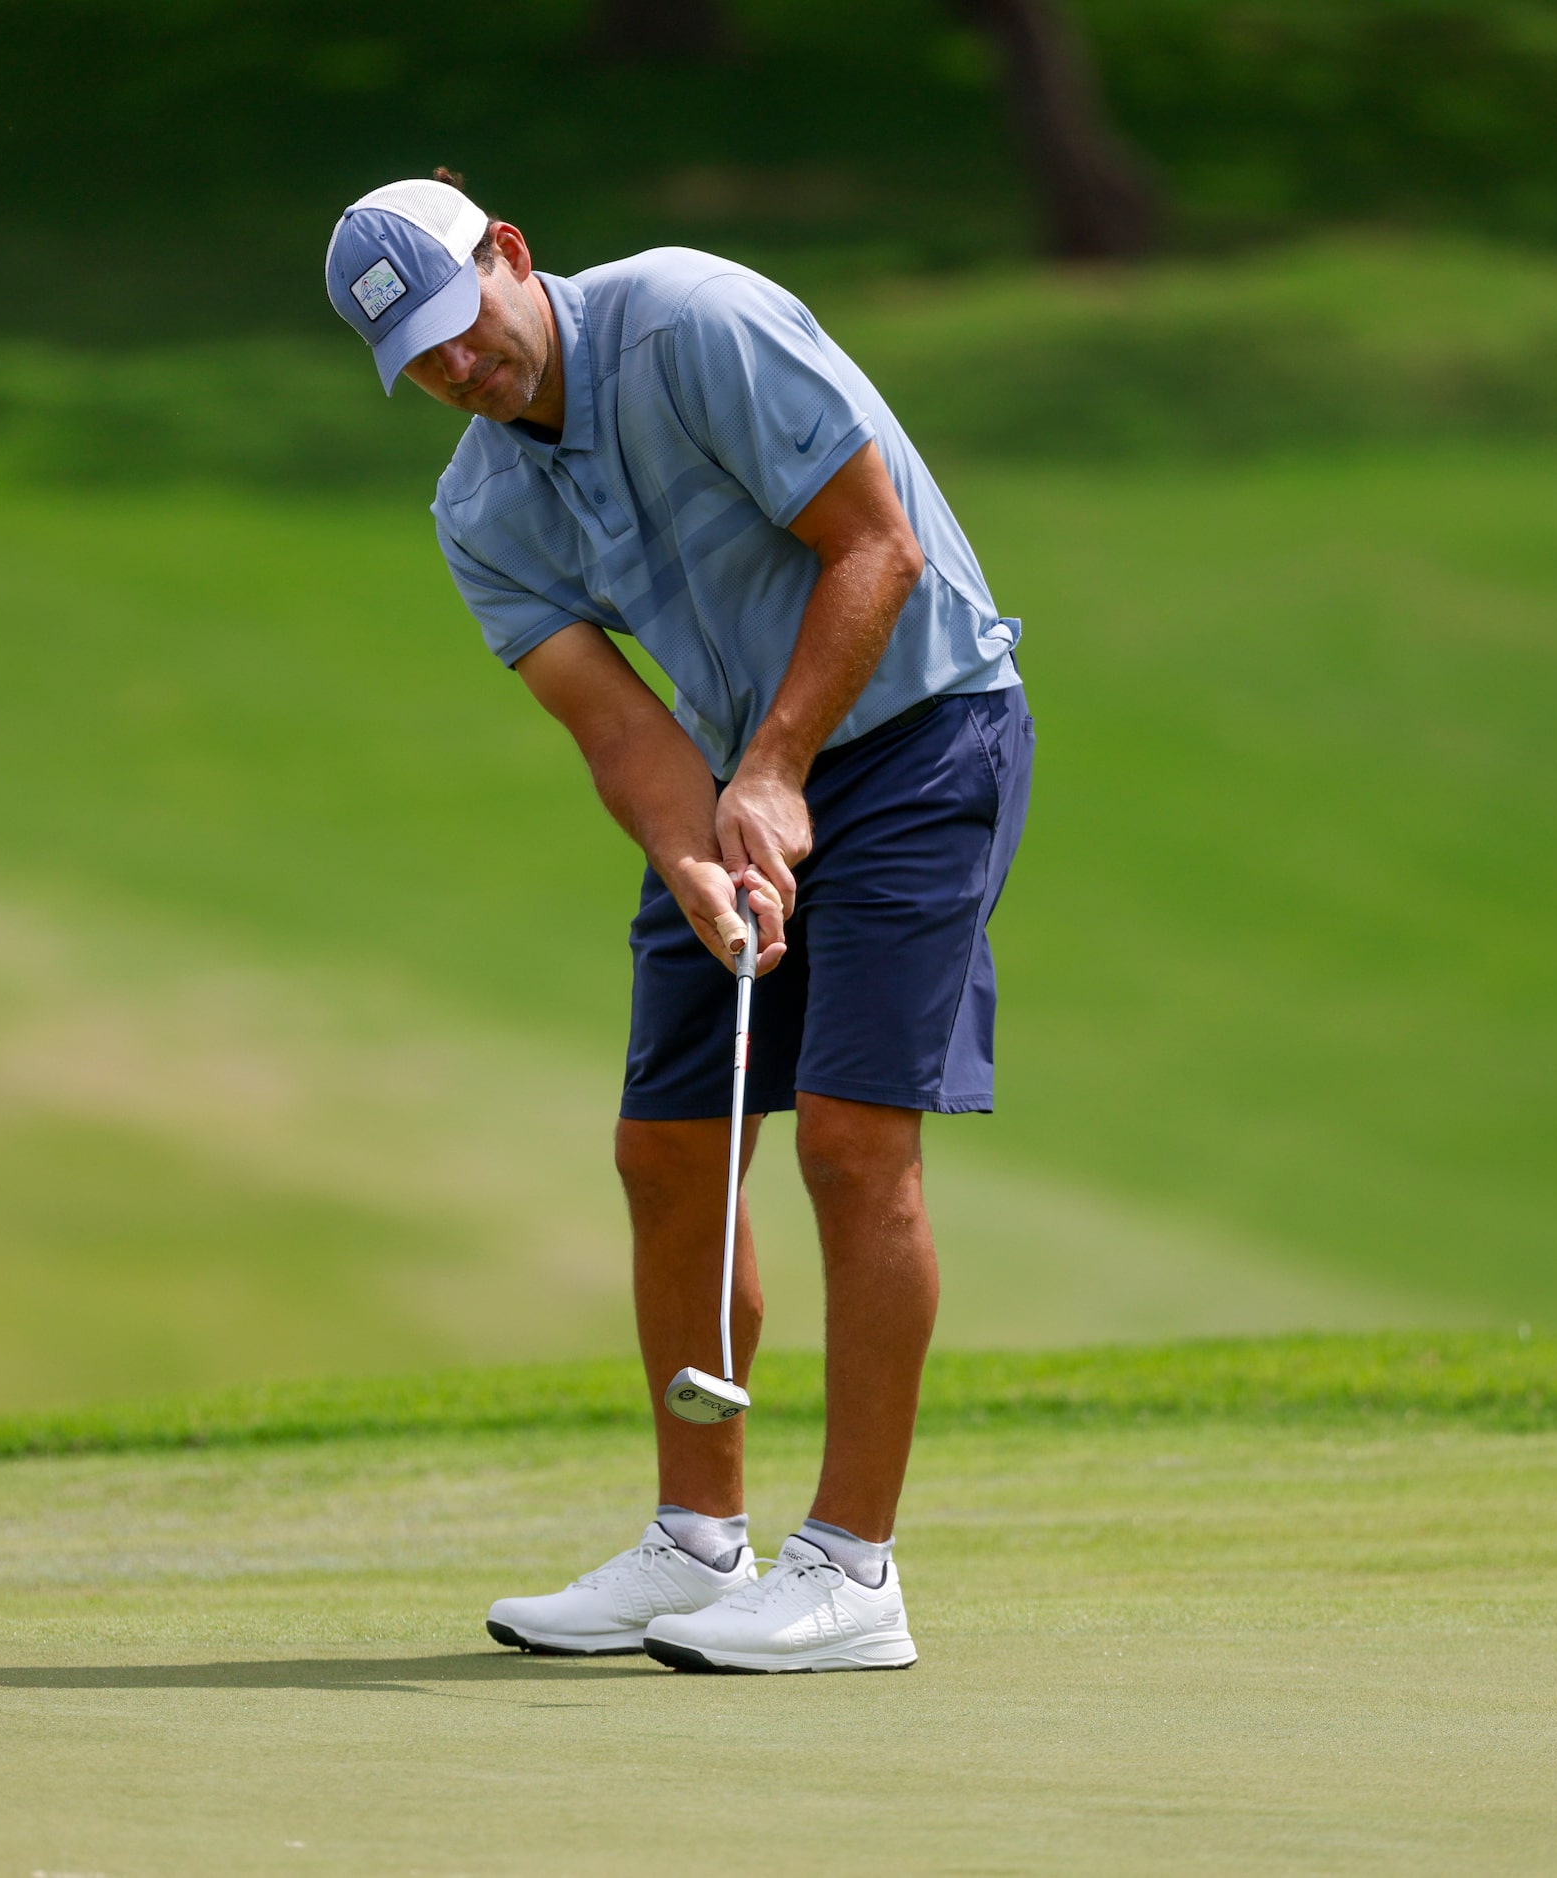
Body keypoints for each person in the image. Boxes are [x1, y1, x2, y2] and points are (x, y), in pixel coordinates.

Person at [323, 170, 1032, 1673]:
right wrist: (699, 852)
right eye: (422, 365)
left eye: (462, 323)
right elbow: (611, 728)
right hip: (728, 780)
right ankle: (698, 1543)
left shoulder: (692, 321)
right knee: (668, 1150)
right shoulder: (478, 506)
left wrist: (774, 772)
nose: (461, 369)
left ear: (508, 254)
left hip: (922, 733)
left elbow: (878, 549)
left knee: (852, 1138)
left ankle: (852, 1570)